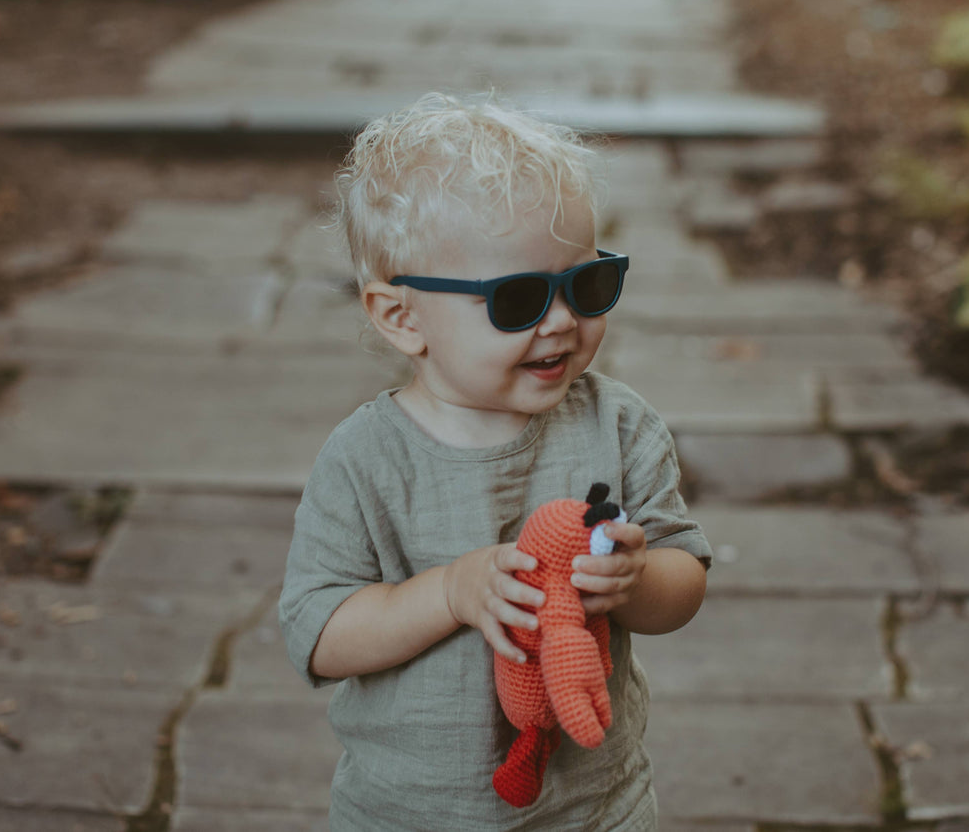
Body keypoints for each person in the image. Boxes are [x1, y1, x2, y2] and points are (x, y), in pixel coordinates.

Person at [279, 93, 712, 831]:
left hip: (595, 806)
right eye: (517, 298)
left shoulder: (618, 423)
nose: (562, 320)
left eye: (586, 283)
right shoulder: (366, 458)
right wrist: (448, 592)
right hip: (408, 813)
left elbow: (684, 580)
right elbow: (318, 633)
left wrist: (635, 580)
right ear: (401, 316)